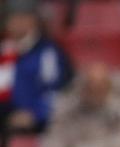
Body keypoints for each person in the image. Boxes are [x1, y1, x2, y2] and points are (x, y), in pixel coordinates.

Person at [0, 0, 71, 133]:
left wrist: (35, 114)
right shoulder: (4, 50)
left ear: (34, 20)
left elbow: (57, 92)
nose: (18, 22)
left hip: (38, 128)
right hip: (5, 124)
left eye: (23, 17)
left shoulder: (48, 53)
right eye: (13, 17)